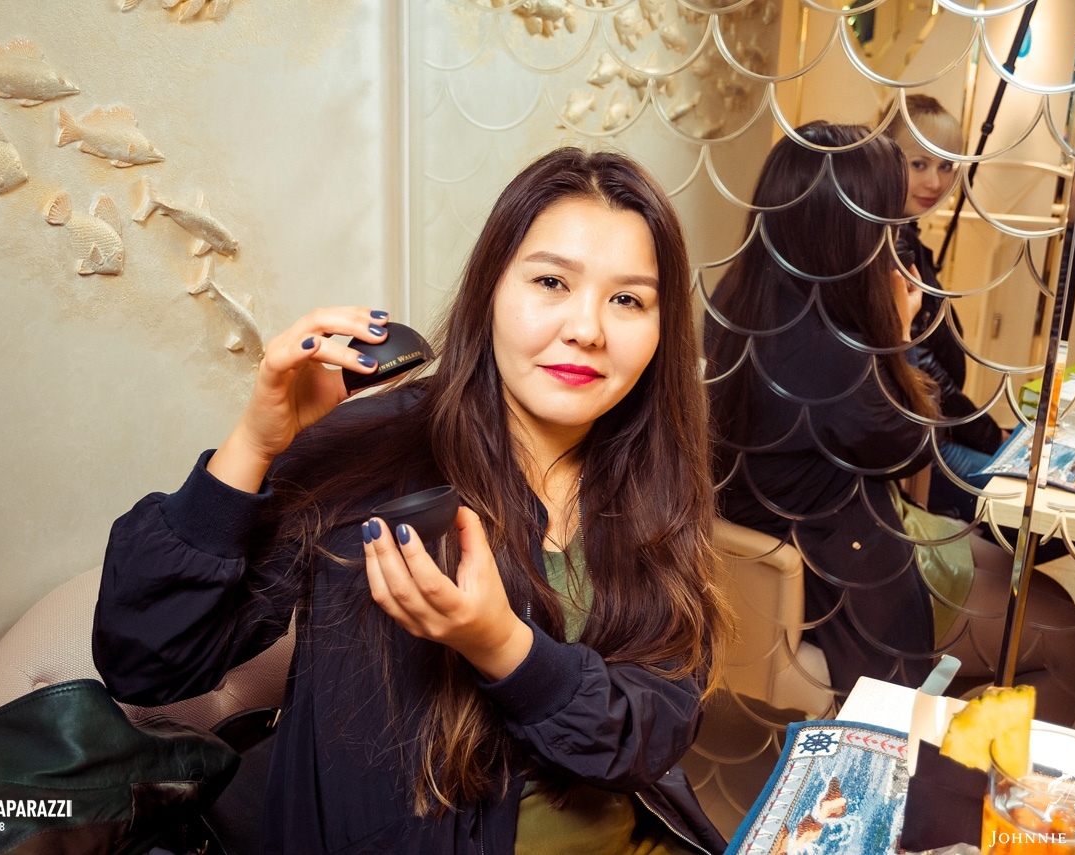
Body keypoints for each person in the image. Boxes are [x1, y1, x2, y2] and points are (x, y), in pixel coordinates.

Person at [92, 147, 732, 855]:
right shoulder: (374, 452)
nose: (587, 329)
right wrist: (253, 445)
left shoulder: (653, 478)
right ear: (491, 287)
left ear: (661, 328)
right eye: (551, 281)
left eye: (628, 299)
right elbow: (147, 660)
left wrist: (504, 646)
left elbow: (652, 733)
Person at [705, 122, 1075, 725]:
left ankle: (948, 732)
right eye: (887, 221)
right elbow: (914, 445)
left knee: (1019, 575)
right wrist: (896, 331)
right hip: (834, 573)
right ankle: (955, 765)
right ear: (854, 228)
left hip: (817, 533)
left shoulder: (742, 295)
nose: (896, 236)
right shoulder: (828, 350)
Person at [882, 94, 1005, 522]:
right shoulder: (889, 243)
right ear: (885, 157)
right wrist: (988, 434)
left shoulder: (905, 234)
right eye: (919, 164)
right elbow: (920, 365)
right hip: (919, 443)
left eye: (947, 165)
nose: (935, 182)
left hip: (933, 429)